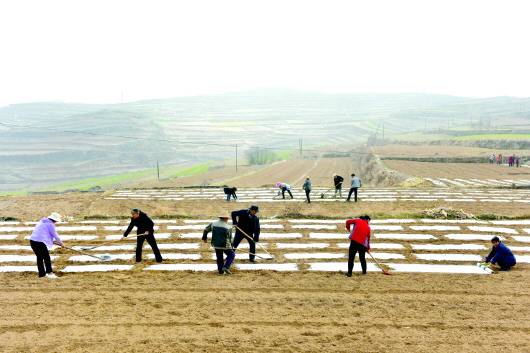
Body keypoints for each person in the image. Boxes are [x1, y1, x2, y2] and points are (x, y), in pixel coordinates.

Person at [29, 212, 64, 278]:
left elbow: (43, 233)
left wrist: (53, 241)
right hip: (39, 242)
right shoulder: (50, 224)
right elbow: (56, 236)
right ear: (54, 220)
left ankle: (42, 274)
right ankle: (49, 272)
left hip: (32, 241)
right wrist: (61, 243)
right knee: (46, 257)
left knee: (39, 257)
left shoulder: (42, 221)